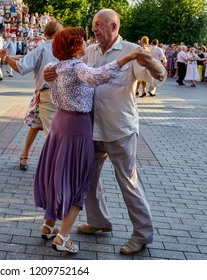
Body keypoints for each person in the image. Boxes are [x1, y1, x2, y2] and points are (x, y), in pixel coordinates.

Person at [43, 9, 166, 255]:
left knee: (128, 183)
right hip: (90, 129)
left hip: (120, 129)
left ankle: (141, 235)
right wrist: (50, 73)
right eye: (93, 24)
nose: (95, 29)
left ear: (114, 26)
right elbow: (69, 70)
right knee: (87, 182)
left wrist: (151, 62)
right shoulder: (88, 51)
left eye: (99, 24)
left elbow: (159, 77)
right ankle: (99, 222)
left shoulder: (130, 51)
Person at [0, 20, 63, 171]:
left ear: (45, 34)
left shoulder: (43, 48)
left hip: (47, 95)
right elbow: (25, 58)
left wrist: (7, 58)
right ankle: (26, 154)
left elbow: (21, 66)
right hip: (64, 95)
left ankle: (51, 169)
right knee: (44, 127)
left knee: (49, 132)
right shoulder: (66, 48)